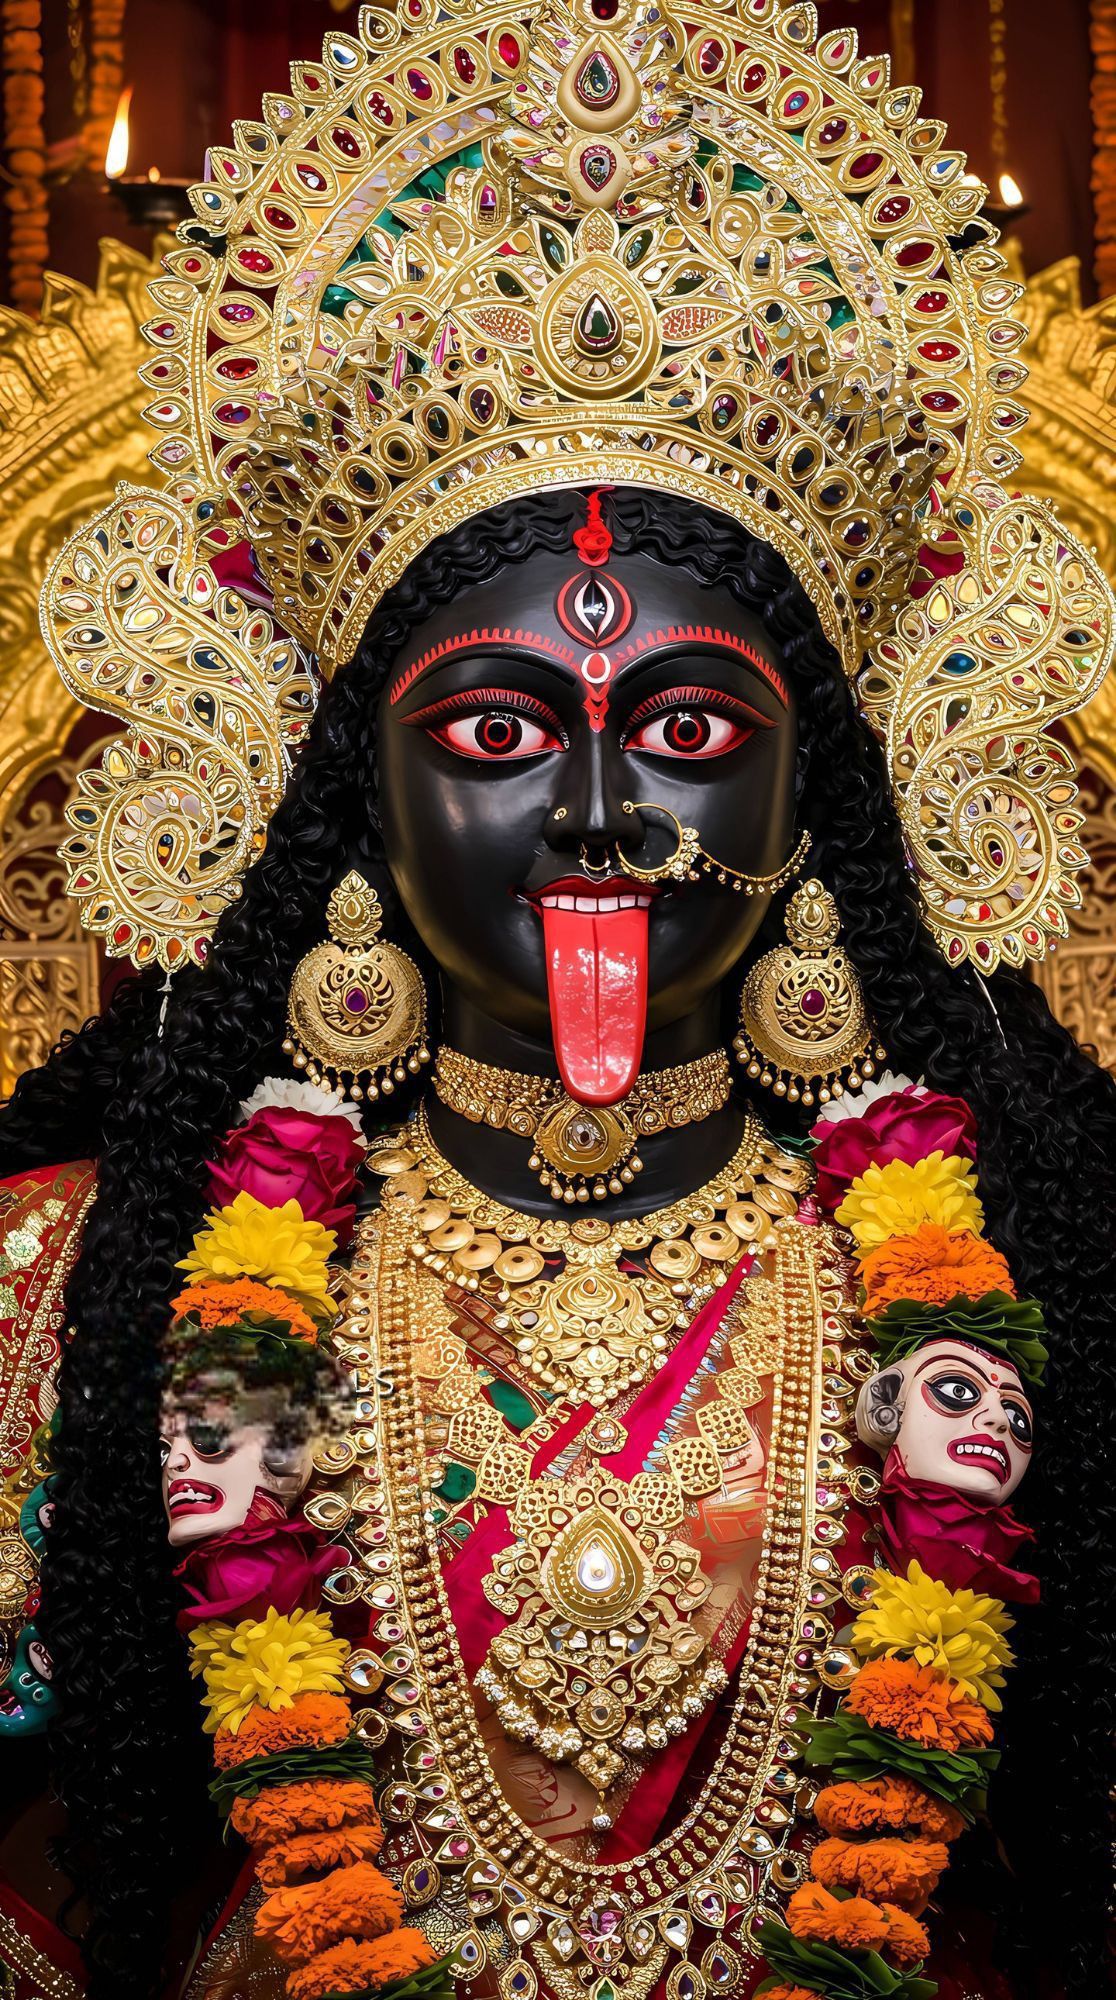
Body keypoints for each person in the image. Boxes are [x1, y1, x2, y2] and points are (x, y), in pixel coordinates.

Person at [1, 6, 1114, 2000]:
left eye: (686, 726)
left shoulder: (1043, 1260)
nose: (598, 809)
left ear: (815, 803)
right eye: (502, 729)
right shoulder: (79, 1284)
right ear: (358, 795)